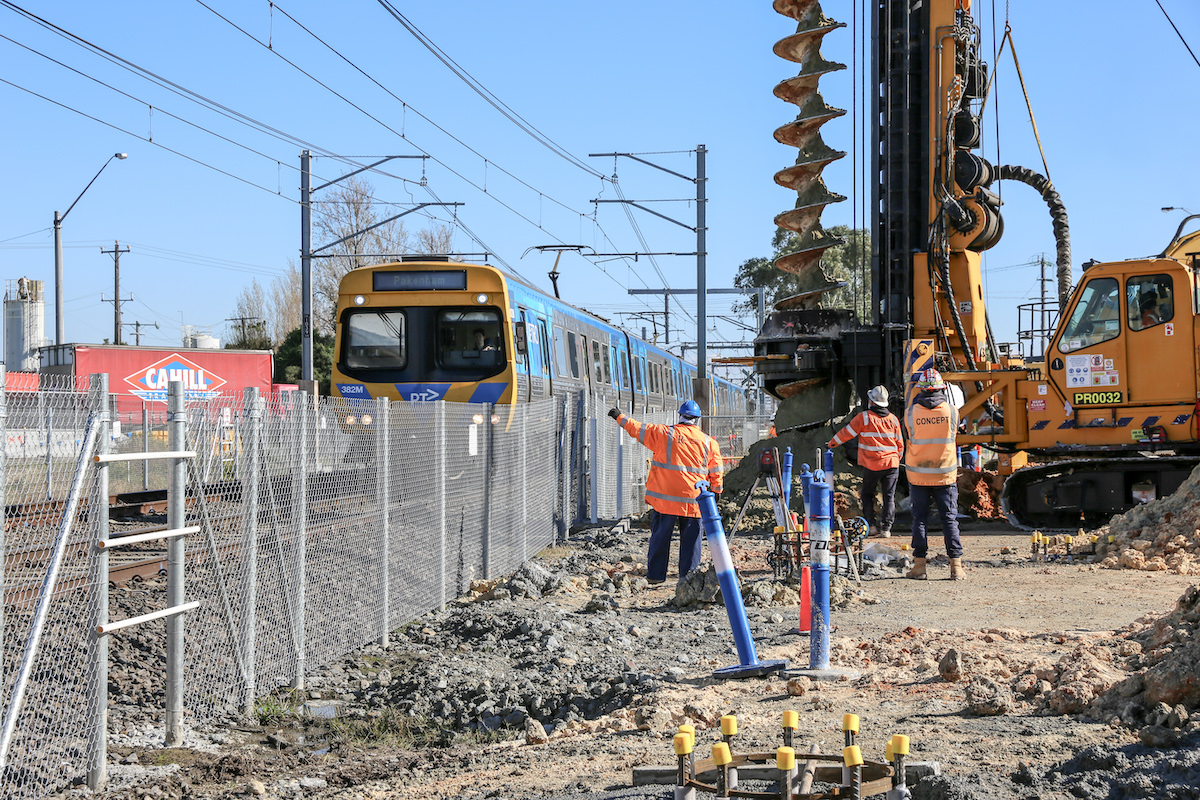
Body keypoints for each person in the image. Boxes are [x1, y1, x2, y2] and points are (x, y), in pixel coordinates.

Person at [607, 400, 724, 584]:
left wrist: (618, 416)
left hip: (665, 500)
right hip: (694, 501)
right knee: (692, 542)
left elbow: (636, 428)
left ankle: (655, 576)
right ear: (697, 420)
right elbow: (716, 472)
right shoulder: (709, 442)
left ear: (680, 416)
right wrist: (716, 493)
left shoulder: (663, 434)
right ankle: (688, 578)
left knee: (660, 537)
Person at [902, 368, 963, 580]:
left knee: (919, 519)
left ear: (921, 390)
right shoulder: (952, 411)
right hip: (945, 475)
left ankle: (919, 567)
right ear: (941, 388)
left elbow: (908, 437)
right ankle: (956, 567)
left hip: (918, 476)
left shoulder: (910, 413)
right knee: (949, 519)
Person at [827, 385, 904, 537]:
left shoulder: (864, 417)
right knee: (889, 496)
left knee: (867, 495)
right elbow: (900, 444)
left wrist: (831, 444)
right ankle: (886, 529)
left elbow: (846, 433)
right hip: (892, 464)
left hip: (872, 464)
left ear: (872, 401)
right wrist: (896, 459)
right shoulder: (893, 419)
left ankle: (872, 526)